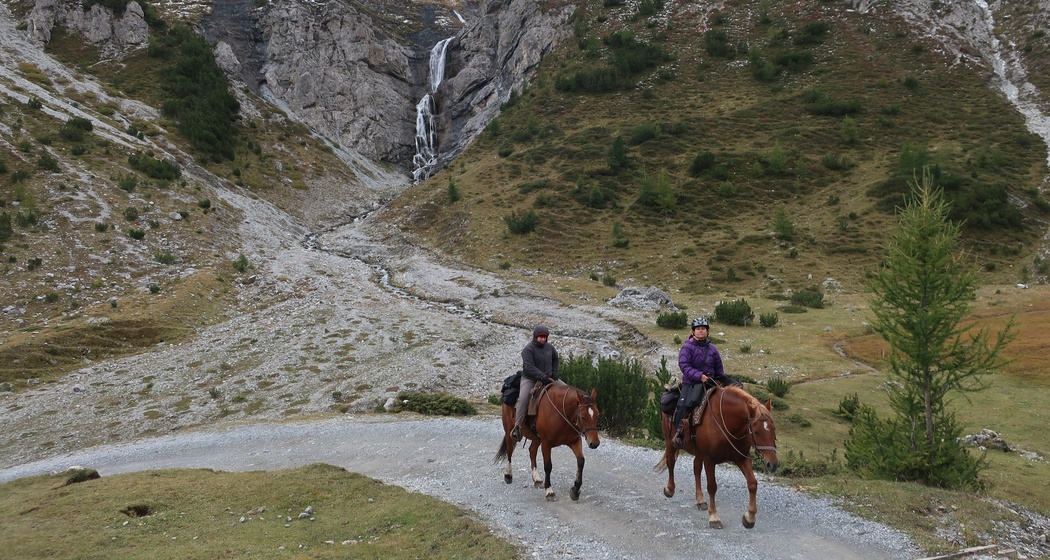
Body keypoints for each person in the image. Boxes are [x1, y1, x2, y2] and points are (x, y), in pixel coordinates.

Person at [672, 317, 735, 448]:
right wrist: (699, 376)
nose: (701, 331)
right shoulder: (687, 347)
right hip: (691, 382)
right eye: (698, 329)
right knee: (684, 405)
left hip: (710, 382)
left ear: (707, 331)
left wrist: (722, 379)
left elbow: (719, 368)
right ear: (693, 331)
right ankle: (678, 433)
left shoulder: (712, 348)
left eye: (703, 329)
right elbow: (684, 365)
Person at [511, 324, 566, 441]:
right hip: (530, 379)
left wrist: (554, 372)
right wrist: (542, 376)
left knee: (566, 391)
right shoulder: (528, 350)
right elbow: (529, 366)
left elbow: (556, 359)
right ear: (535, 337)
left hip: (549, 377)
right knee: (523, 398)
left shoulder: (550, 348)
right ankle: (518, 426)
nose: (542, 339)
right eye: (540, 337)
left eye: (544, 337)